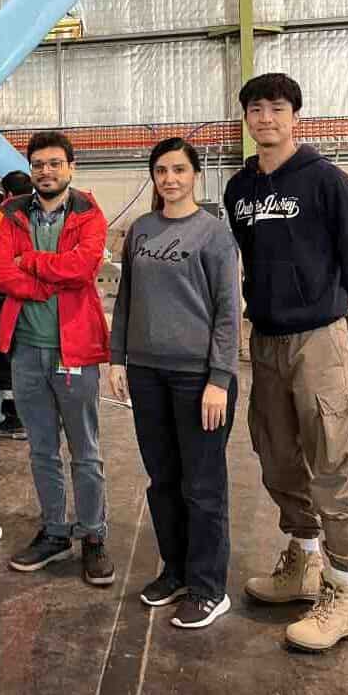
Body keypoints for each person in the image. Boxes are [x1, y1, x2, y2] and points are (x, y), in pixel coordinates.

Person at [223, 73, 348, 651]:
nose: (265, 118)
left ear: (295, 117)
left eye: (277, 109)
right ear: (247, 119)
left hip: (319, 341)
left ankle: (343, 593)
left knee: (335, 461)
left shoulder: (326, 180)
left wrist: (328, 304)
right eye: (256, 109)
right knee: (278, 455)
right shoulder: (240, 188)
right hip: (265, 340)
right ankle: (303, 562)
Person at [109, 138, 240, 629]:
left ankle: (209, 587)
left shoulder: (213, 235)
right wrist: (116, 357)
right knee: (163, 480)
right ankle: (177, 570)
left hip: (197, 380)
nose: (170, 178)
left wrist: (219, 380)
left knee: (203, 486)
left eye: (179, 170)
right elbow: (125, 300)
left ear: (195, 175)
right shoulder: (141, 230)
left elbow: (229, 313)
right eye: (161, 170)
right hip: (146, 375)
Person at [0, 131, 114, 587]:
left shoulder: (88, 212)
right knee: (41, 449)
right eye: (38, 163)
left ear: (70, 167)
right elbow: (0, 273)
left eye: (55, 163)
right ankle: (55, 530)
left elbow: (81, 269)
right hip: (26, 351)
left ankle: (94, 535)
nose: (46, 171)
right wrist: (45, 276)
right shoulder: (11, 213)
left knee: (85, 451)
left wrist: (32, 263)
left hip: (74, 349)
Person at [0, 170, 34, 440]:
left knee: (5, 359)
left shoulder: (0, 217)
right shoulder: (45, 215)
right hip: (38, 298)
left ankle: (13, 417)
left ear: (6, 193)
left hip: (6, 299)